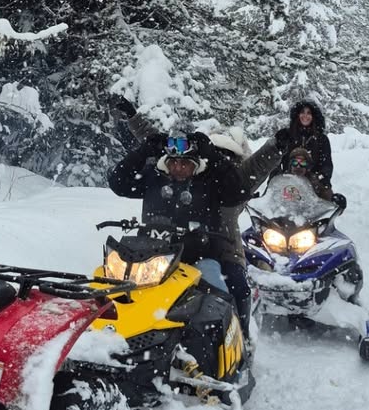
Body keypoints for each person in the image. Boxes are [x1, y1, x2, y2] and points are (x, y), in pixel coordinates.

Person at [107, 111, 284, 339]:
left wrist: (214, 156)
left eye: (185, 164)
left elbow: (238, 191)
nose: (179, 168)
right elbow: (118, 183)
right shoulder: (155, 179)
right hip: (152, 256)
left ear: (197, 164)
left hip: (200, 257)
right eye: (174, 163)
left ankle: (239, 341)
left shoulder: (210, 182)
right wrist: (144, 150)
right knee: (119, 294)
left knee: (222, 296)